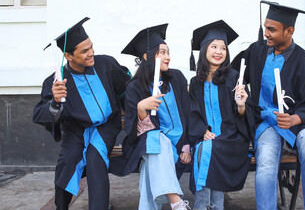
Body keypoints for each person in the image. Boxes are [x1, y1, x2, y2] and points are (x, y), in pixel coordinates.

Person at [231, 0, 305, 210]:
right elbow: (233, 71)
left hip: (298, 122)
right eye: (265, 28)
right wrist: (208, 79)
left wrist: (294, 118)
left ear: (289, 31)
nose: (266, 33)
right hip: (266, 121)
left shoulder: (304, 62)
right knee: (265, 164)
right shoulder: (257, 51)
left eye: (272, 29)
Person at [33, 17, 131, 210]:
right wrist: (55, 101)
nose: (91, 53)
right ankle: (61, 207)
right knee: (69, 160)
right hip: (76, 130)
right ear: (68, 56)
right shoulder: (57, 81)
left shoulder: (106, 64)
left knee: (95, 156)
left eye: (91, 47)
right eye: (84, 51)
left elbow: (126, 89)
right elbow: (39, 113)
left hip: (106, 126)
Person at [109, 24, 191, 210]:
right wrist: (141, 110)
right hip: (145, 145)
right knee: (156, 139)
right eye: (161, 52)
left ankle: (174, 203)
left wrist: (186, 146)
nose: (168, 57)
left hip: (177, 144)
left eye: (168, 52)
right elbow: (133, 133)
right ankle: (176, 202)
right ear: (147, 56)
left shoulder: (176, 79)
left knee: (150, 166)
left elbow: (188, 114)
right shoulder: (135, 87)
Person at [188, 20, 254, 210]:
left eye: (223, 48)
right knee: (204, 148)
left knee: (205, 150)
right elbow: (192, 112)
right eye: (214, 46)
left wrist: (241, 105)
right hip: (207, 137)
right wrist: (202, 130)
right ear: (204, 50)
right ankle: (215, 206)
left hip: (231, 138)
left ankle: (201, 206)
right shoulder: (195, 82)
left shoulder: (234, 78)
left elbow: (245, 116)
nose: (219, 52)